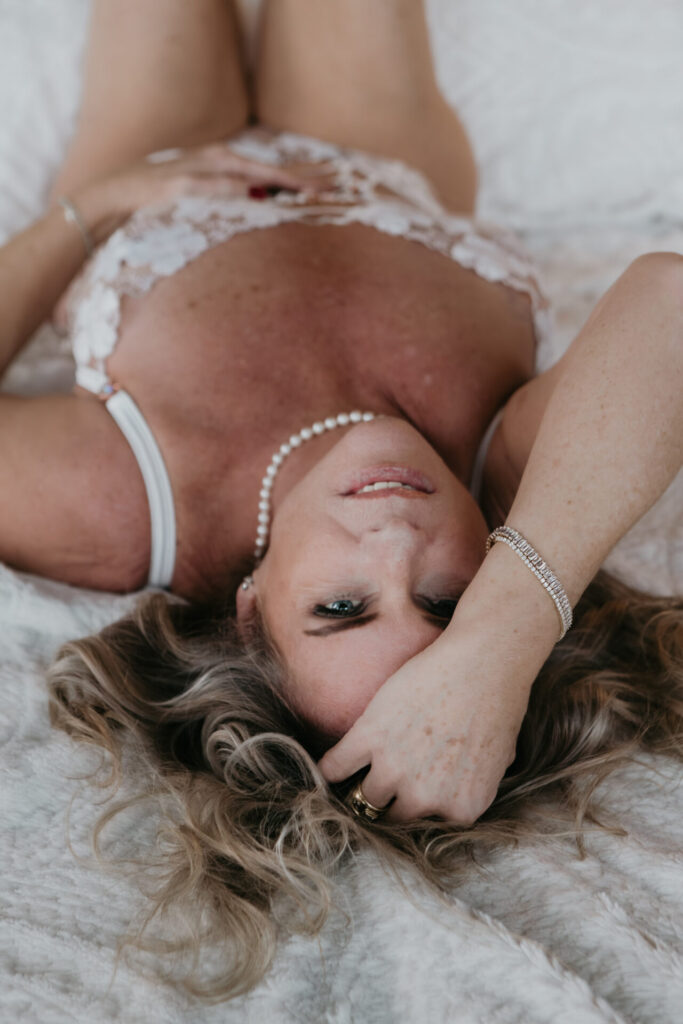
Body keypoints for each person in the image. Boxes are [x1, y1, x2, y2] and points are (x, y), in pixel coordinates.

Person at [2, 0, 681, 1002]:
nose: (397, 539)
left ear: (249, 606)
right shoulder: (494, 472)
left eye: (340, 606)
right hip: (378, 151)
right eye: (446, 602)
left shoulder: (130, 502)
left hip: (163, 156)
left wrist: (94, 208)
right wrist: (503, 639)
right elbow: (669, 302)